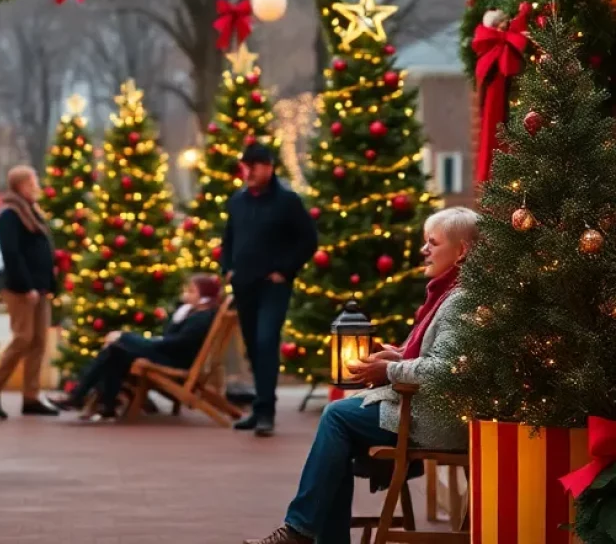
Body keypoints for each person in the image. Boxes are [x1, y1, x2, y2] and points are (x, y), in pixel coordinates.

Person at [241, 207, 480, 544]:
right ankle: (305, 533)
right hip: (424, 408)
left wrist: (389, 369)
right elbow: (437, 356)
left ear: (462, 251)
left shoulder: (460, 301)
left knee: (337, 416)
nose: (424, 250)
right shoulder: (446, 294)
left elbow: (447, 369)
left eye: (432, 243)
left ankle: (298, 532)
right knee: (341, 426)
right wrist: (397, 354)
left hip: (435, 417)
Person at [221, 142, 318, 437]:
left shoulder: (287, 201)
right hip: (244, 285)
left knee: (266, 341)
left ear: (269, 167)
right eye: (245, 165)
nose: (248, 171)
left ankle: (266, 412)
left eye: (254, 165)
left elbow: (308, 241)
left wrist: (285, 270)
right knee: (253, 346)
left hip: (272, 286)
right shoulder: (237, 201)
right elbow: (228, 239)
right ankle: (259, 408)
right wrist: (228, 270)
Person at [54, 273, 224, 421]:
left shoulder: (201, 318)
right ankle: (104, 404)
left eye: (192, 291)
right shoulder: (192, 313)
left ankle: (80, 396)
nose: (186, 294)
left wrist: (137, 339)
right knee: (115, 351)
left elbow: (177, 343)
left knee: (119, 342)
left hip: (173, 360)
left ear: (205, 297)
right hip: (167, 353)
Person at [0, 165, 57, 419]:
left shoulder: (32, 212)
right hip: (22, 290)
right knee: (23, 338)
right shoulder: (10, 215)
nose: (37, 185)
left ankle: (31, 397)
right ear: (22, 185)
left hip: (40, 288)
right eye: (33, 181)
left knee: (38, 342)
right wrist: (27, 286)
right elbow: (13, 254)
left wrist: (47, 284)